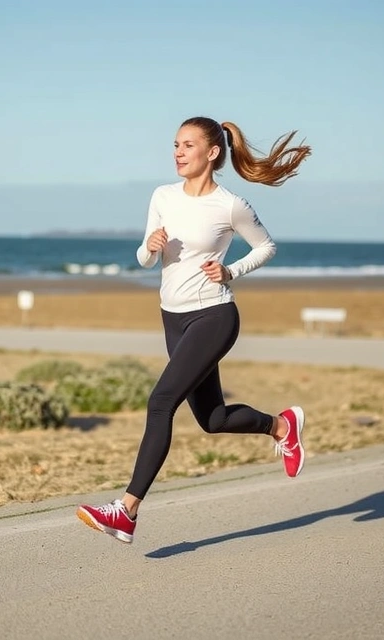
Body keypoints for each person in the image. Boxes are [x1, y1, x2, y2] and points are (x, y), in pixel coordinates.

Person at [76, 116, 311, 544]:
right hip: (173, 316)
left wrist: (231, 270)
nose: (177, 153)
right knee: (213, 418)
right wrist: (149, 249)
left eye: (187, 145)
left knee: (161, 400)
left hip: (214, 316)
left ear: (213, 152)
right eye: (175, 145)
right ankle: (281, 426)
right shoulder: (163, 195)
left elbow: (267, 246)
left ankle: (126, 511)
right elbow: (146, 259)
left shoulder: (230, 204)